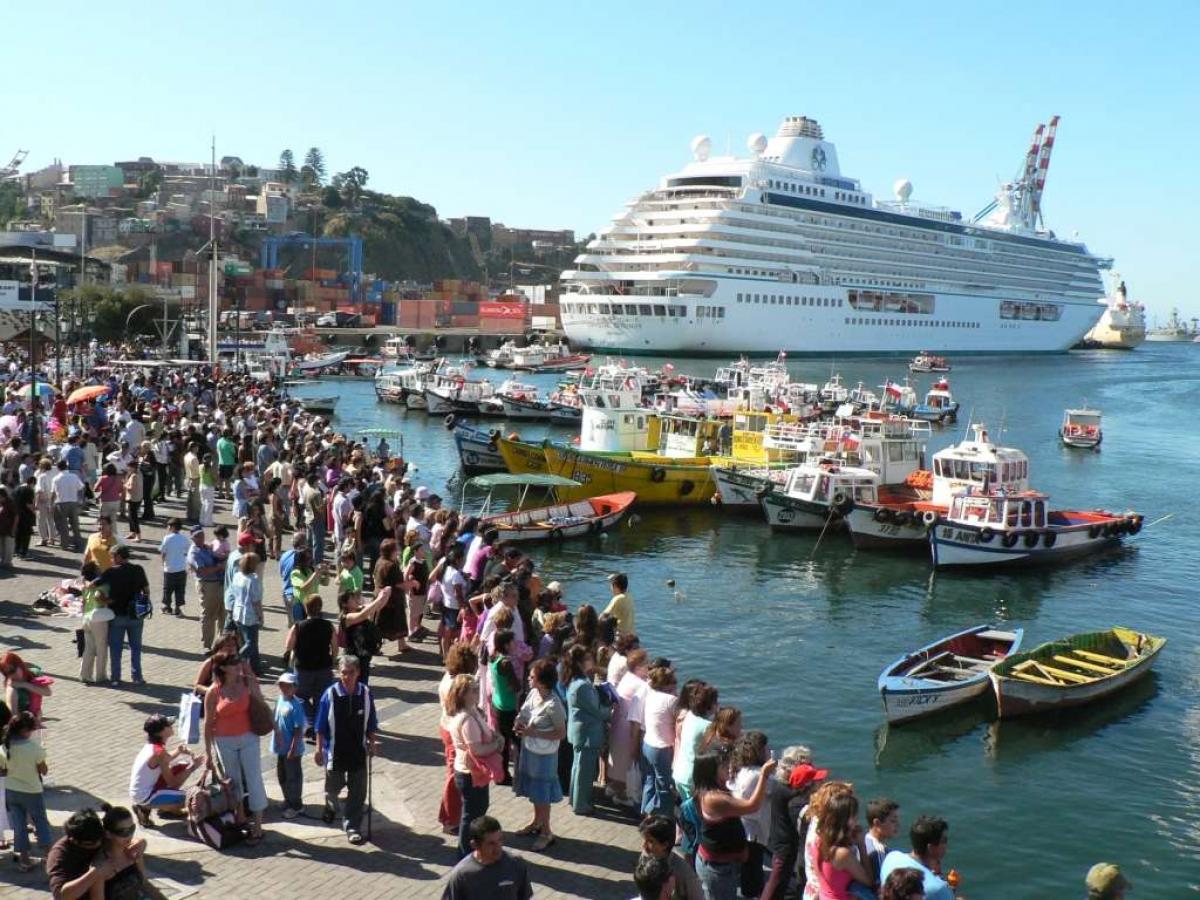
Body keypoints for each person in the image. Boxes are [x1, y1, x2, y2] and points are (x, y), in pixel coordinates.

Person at [692, 750, 777, 900]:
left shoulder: (710, 790)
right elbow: (752, 806)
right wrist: (763, 775)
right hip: (717, 868)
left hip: (722, 863)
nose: (729, 768)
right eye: (724, 766)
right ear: (712, 771)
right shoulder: (713, 798)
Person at [202, 650, 267, 844]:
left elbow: (262, 703)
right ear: (222, 668)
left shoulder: (246, 681)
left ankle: (258, 825)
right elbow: (207, 723)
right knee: (233, 781)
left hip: (249, 737)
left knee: (254, 779)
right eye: (233, 662)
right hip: (224, 740)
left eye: (238, 661)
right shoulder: (214, 690)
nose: (237, 665)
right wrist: (208, 753)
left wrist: (275, 727)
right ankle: (240, 817)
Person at [314, 653, 379, 845]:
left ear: (358, 672)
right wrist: (318, 750)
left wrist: (372, 743)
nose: (347, 676)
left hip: (357, 751)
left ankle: (352, 826)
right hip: (335, 752)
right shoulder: (330, 695)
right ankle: (331, 803)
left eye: (351, 672)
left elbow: (372, 722)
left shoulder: (365, 693)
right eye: (343, 672)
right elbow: (320, 726)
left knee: (358, 791)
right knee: (333, 786)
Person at [446, 674, 502, 858]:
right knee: (471, 816)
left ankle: (471, 850)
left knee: (477, 810)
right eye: (473, 690)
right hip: (470, 773)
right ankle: (465, 854)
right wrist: (497, 745)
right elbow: (476, 749)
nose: (478, 692)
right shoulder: (467, 719)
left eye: (478, 688)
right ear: (463, 694)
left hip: (473, 772)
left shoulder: (473, 712)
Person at [514, 658, 567, 851]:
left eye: (532, 676)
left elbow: (561, 734)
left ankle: (546, 831)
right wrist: (518, 721)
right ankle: (537, 822)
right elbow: (525, 712)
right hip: (530, 750)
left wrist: (534, 732)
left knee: (542, 793)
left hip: (544, 756)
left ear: (542, 681)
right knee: (535, 790)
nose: (528, 678)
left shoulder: (554, 705)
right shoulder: (533, 694)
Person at [762, 746, 827, 900]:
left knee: (780, 879)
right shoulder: (791, 795)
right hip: (785, 844)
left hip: (778, 838)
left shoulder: (779, 786)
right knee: (777, 880)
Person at [46, 806, 145, 900]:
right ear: (74, 841)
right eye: (91, 843)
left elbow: (120, 836)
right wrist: (95, 873)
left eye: (100, 839)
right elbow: (62, 896)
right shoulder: (59, 855)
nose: (98, 844)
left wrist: (139, 843)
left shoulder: (97, 834)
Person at [1, 711, 52, 872]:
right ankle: (49, 859)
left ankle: (24, 861)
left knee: (19, 826)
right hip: (32, 791)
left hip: (11, 791)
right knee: (41, 823)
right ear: (26, 731)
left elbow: (3, 771)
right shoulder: (34, 748)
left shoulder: (4, 747)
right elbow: (43, 771)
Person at [93, 545, 150, 686]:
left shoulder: (111, 572)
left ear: (118, 556)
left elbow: (94, 585)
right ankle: (137, 677)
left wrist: (106, 600)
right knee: (136, 648)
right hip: (136, 615)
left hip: (117, 615)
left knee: (116, 649)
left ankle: (115, 678)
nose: (111, 560)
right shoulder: (138, 569)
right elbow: (146, 590)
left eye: (112, 556)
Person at [129, 714, 201, 825]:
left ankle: (162, 806)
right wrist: (193, 767)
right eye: (168, 725)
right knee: (192, 798)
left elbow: (168, 758)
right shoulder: (159, 752)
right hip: (146, 796)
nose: (172, 726)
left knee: (181, 766)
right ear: (161, 732)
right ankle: (151, 807)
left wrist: (179, 750)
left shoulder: (152, 746)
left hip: (140, 792)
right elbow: (172, 783)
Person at [438, 643, 479, 835]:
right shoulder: (456, 685)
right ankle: (450, 819)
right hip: (454, 732)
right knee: (454, 776)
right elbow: (459, 711)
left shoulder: (449, 676)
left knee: (453, 772)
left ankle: (450, 815)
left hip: (446, 727)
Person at [441, 814, 533, 900]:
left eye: (500, 840)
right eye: (491, 844)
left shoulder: (515, 864)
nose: (498, 848)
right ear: (474, 845)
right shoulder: (463, 875)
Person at [565, 645, 610, 815]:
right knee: (584, 772)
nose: (592, 661)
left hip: (580, 732)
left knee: (578, 767)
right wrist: (610, 711)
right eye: (589, 658)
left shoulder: (575, 681)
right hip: (587, 734)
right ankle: (581, 805)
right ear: (582, 662)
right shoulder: (583, 685)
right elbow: (597, 710)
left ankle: (575, 799)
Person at [728, 731, 772, 900]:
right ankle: (752, 894)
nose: (769, 750)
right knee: (753, 867)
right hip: (754, 832)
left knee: (747, 864)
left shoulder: (740, 769)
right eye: (766, 748)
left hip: (742, 826)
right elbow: (774, 789)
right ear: (759, 751)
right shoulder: (757, 775)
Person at [285, 594, 338, 731]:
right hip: (323, 668)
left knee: (299, 696)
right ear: (320, 608)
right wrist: (332, 660)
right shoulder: (328, 625)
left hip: (303, 669)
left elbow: (288, 646)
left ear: (305, 608)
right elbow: (335, 646)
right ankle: (319, 726)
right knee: (321, 698)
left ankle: (311, 720)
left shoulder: (298, 627)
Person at [96, 804, 168, 900]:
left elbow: (144, 883)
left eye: (132, 829)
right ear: (108, 834)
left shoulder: (134, 854)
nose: (129, 835)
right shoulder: (101, 865)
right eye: (123, 832)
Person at [815, 789, 874, 899]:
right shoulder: (842, 854)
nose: (857, 819)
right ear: (845, 820)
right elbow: (868, 881)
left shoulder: (820, 841)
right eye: (854, 816)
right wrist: (862, 845)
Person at [879, 816, 955, 900]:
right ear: (930, 848)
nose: (946, 844)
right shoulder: (938, 889)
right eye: (944, 840)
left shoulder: (891, 857)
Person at [641, 665, 678, 819]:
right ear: (668, 684)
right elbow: (679, 721)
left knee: (650, 781)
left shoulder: (651, 695)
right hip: (662, 749)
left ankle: (644, 811)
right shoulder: (671, 700)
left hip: (648, 744)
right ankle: (655, 815)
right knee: (665, 788)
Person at [638, 814, 703, 900]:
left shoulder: (683, 871)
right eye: (644, 840)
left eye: (650, 841)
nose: (644, 846)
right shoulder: (646, 856)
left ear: (665, 844)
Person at [273, 672, 307, 819]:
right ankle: (288, 800)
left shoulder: (296, 705)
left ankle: (296, 805)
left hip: (292, 749)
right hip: (281, 747)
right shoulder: (280, 699)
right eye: (282, 685)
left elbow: (298, 729)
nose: (284, 688)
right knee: (282, 775)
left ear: (295, 687)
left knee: (293, 777)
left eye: (288, 685)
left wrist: (293, 748)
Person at [187, 525, 226, 649]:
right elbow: (202, 570)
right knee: (209, 615)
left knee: (223, 614)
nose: (201, 537)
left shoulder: (207, 547)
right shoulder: (194, 553)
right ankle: (207, 645)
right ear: (192, 538)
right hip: (208, 585)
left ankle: (222, 644)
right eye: (197, 536)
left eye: (202, 534)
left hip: (220, 583)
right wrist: (219, 567)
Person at [228, 552, 265, 675]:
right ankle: (233, 660)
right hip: (249, 615)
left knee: (249, 641)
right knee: (251, 643)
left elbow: (233, 592)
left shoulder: (237, 575)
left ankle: (256, 668)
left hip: (238, 612)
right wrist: (261, 616)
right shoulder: (253, 580)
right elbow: (256, 601)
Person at [78, 562, 112, 685]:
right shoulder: (102, 585)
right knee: (101, 647)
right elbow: (98, 596)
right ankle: (101, 675)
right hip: (98, 619)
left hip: (86, 618)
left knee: (89, 648)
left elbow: (83, 603)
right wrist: (110, 600)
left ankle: (85, 674)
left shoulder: (85, 586)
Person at [158, 517, 190, 615]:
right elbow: (187, 552)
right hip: (181, 568)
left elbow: (163, 552)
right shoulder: (184, 538)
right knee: (180, 589)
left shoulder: (167, 538)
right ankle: (178, 608)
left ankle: (167, 607)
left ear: (172, 527)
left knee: (168, 589)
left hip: (169, 569)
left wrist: (163, 563)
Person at [51, 459, 85, 551]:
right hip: (73, 502)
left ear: (58, 468)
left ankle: (64, 544)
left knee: (63, 525)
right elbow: (81, 488)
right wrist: (80, 499)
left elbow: (53, 493)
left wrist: (51, 504)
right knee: (75, 524)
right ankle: (78, 543)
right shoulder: (74, 476)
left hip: (61, 503)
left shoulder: (56, 479)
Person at [866, 798, 901, 881]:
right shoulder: (879, 851)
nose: (898, 824)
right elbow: (882, 884)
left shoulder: (864, 839)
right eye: (893, 821)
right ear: (877, 823)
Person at [604, 571, 635, 636]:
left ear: (615, 586)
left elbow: (604, 616)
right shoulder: (629, 596)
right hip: (631, 634)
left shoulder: (617, 599)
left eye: (611, 585)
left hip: (621, 635)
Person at [13, 473, 34, 559]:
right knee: (26, 535)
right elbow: (29, 504)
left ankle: (16, 551)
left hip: (16, 514)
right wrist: (34, 511)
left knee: (17, 533)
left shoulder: (16, 488)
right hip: (26, 515)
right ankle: (23, 553)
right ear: (32, 482)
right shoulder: (28, 490)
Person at [123, 456, 143, 542]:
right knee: (131, 516)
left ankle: (138, 536)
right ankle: (132, 532)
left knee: (133, 517)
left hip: (133, 498)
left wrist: (124, 484)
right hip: (138, 497)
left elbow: (130, 487)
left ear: (132, 467)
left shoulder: (134, 476)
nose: (127, 468)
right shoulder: (139, 473)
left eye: (129, 467)